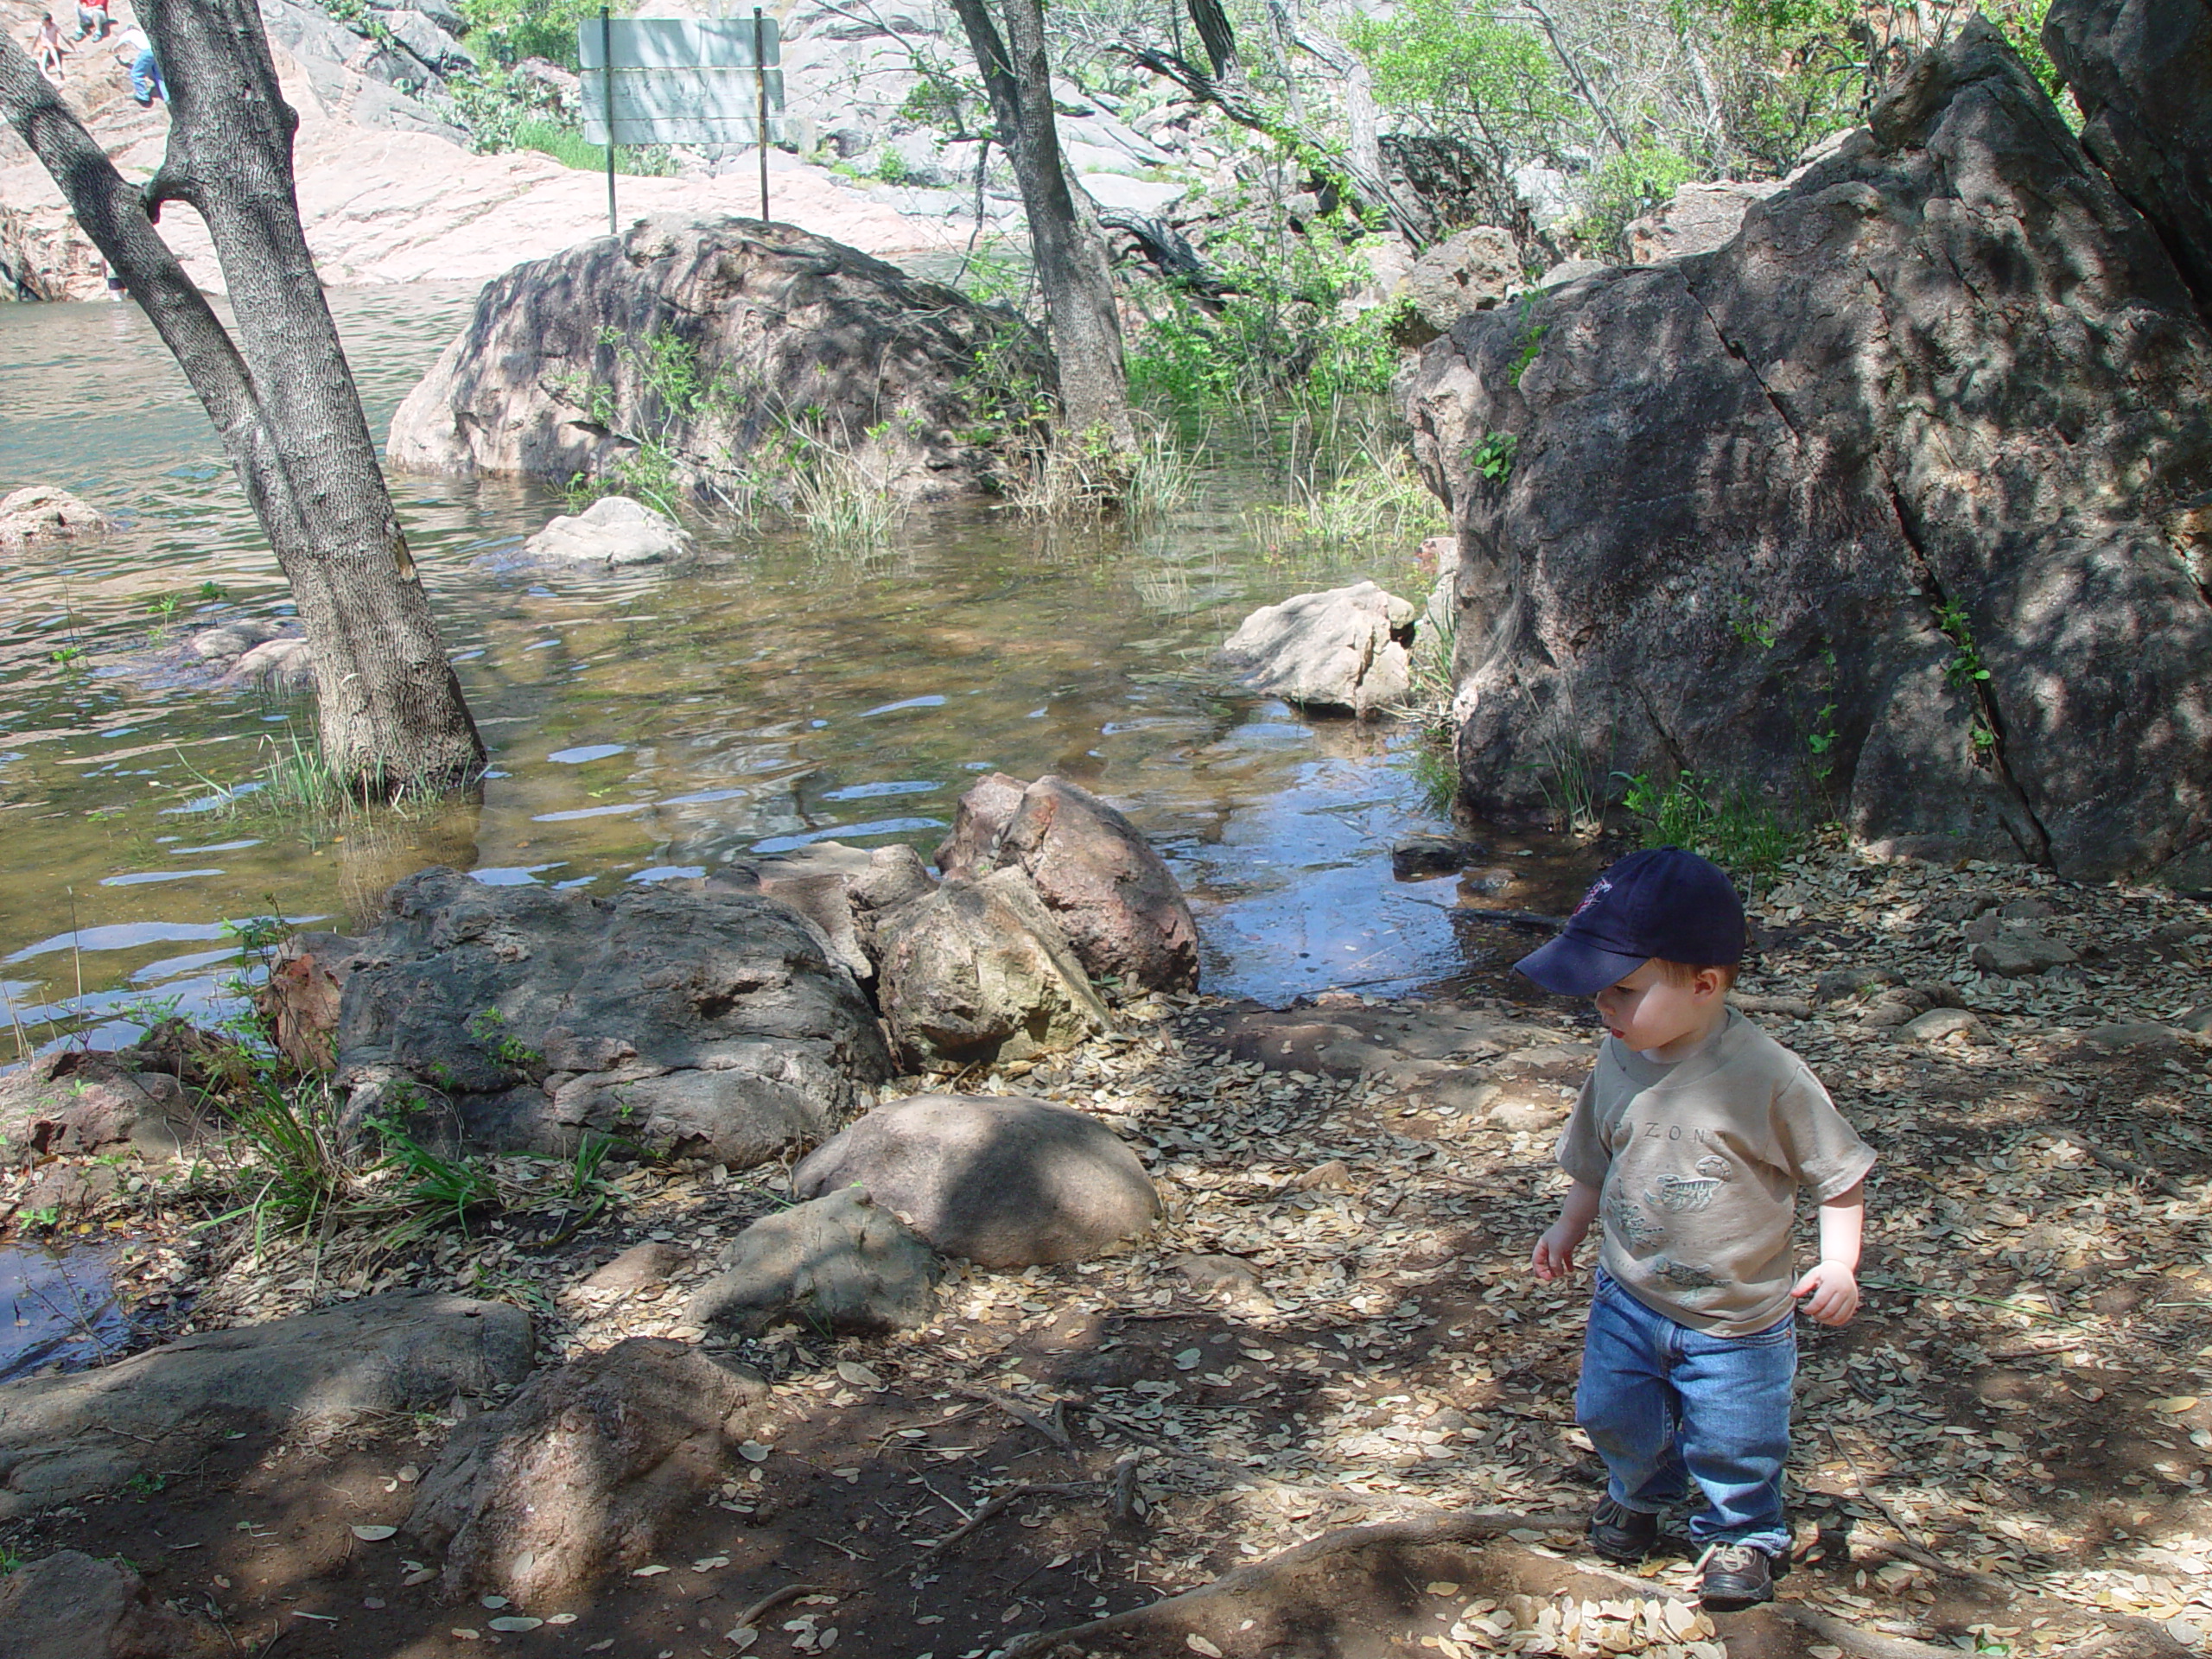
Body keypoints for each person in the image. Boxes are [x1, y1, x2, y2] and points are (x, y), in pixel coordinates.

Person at [1520, 846, 1874, 1612]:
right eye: (1597, 994)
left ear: (1705, 985)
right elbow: (1597, 1156)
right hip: (1628, 1293)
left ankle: (1742, 1532)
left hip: (1737, 1317)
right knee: (1610, 1410)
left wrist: (1839, 1264)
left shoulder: (1768, 1076)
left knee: (1737, 1436)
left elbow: (1840, 1176)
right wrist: (1569, 1224)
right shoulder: (1617, 1058)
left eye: (1622, 990)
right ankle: (1640, 1491)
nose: (1602, 1010)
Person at [114, 22, 162, 106]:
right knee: (158, 75)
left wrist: (114, 52)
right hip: (155, 50)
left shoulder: (129, 33)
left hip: (146, 52)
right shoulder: (142, 32)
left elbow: (118, 44)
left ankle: (143, 97)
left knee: (136, 74)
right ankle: (166, 96)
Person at [32, 13, 67, 85]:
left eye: (43, 20)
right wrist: (31, 50)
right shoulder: (41, 28)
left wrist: (74, 48)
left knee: (52, 50)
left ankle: (58, 68)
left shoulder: (55, 27)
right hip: (44, 46)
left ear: (47, 21)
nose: (41, 21)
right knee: (46, 51)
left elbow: (64, 38)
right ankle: (44, 68)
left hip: (53, 45)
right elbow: (36, 38)